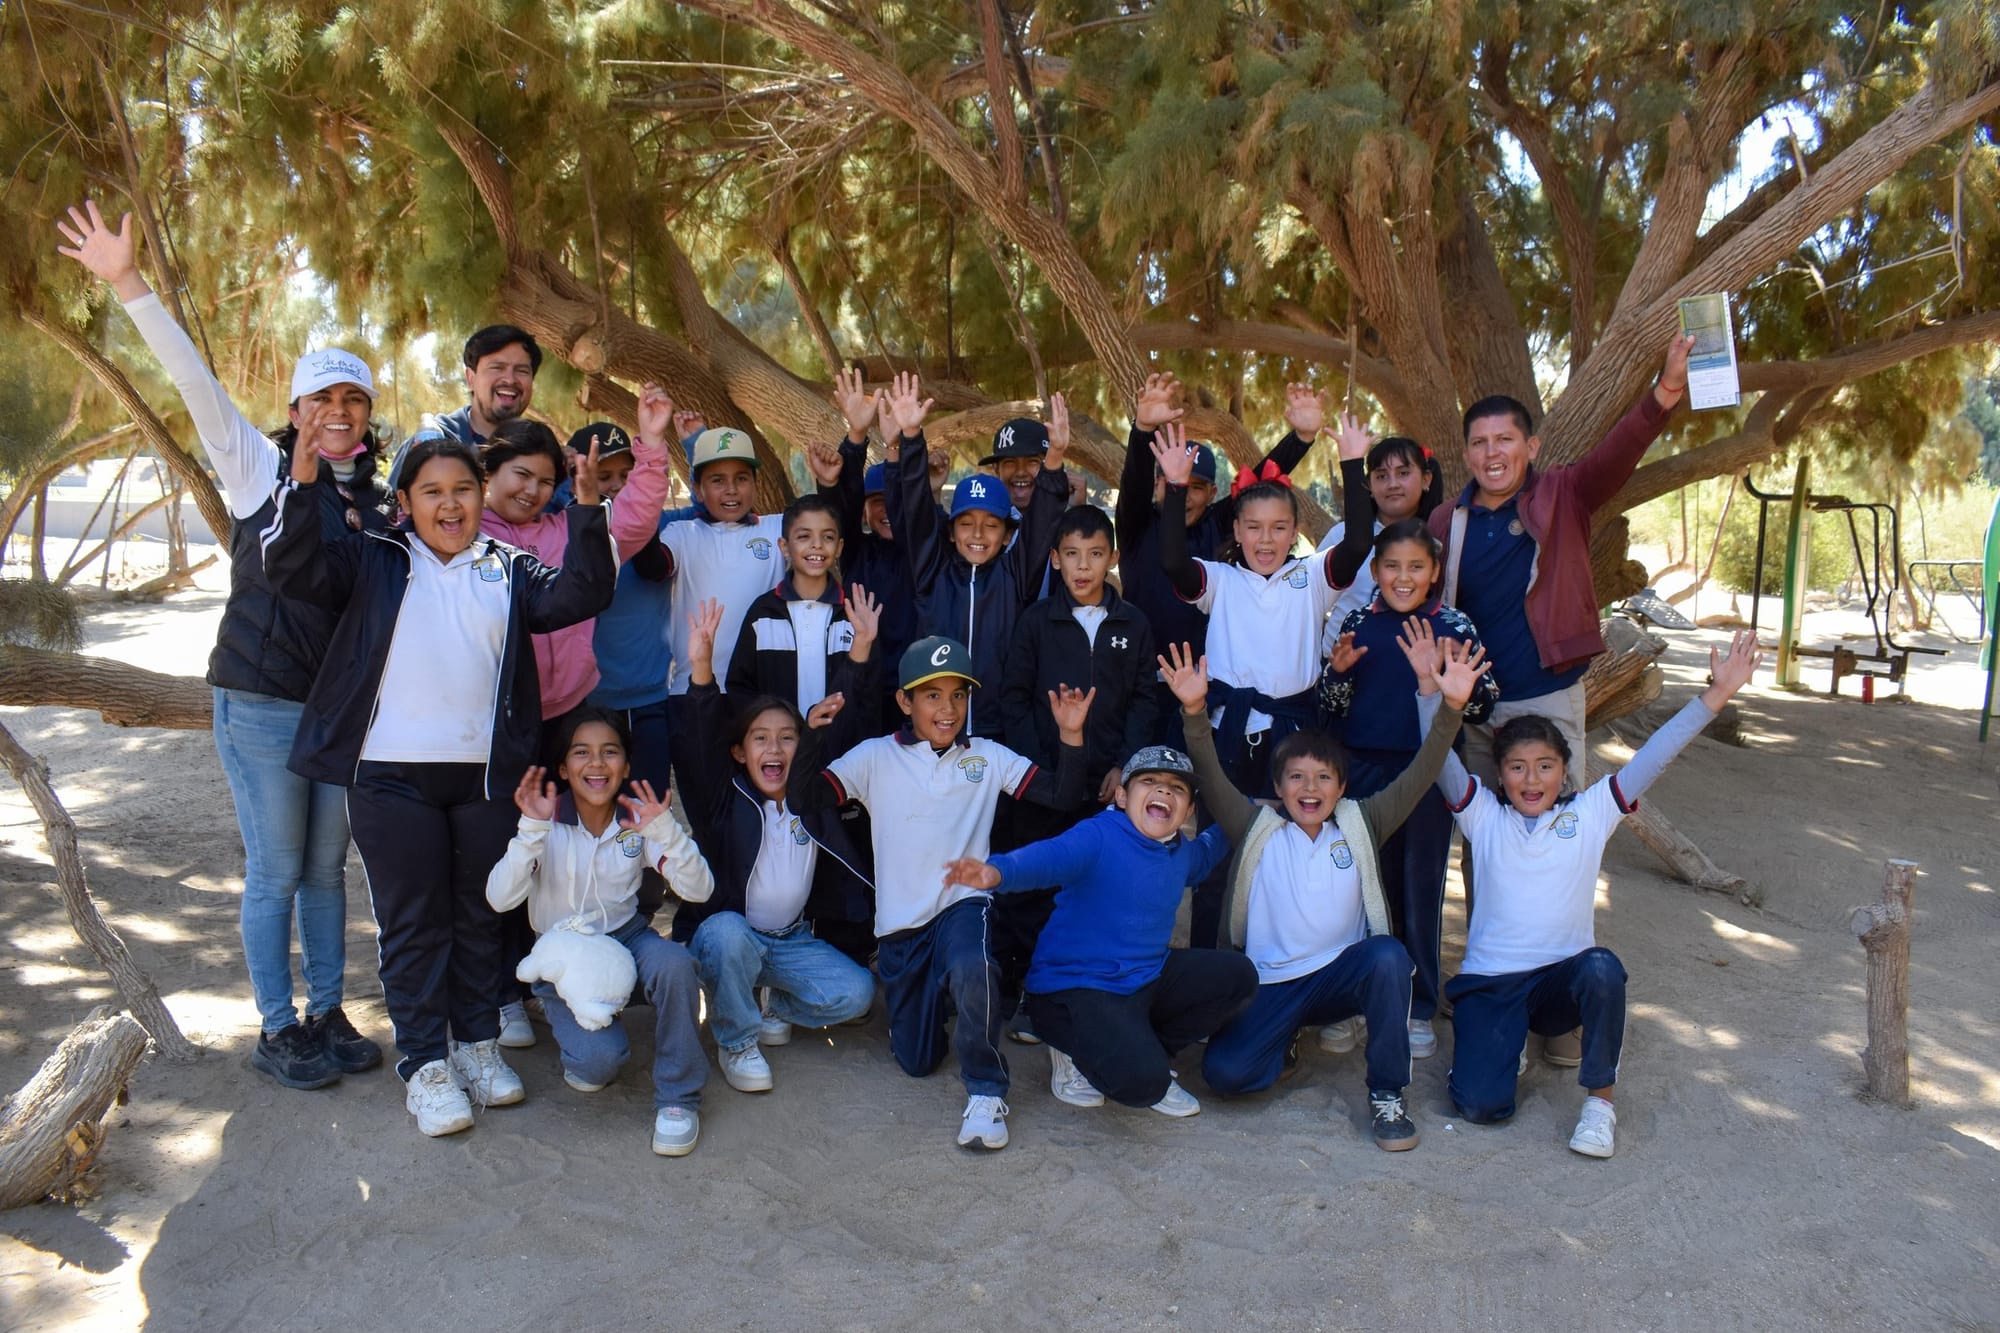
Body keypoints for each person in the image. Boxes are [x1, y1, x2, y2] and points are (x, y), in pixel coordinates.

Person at [54, 200, 390, 1091]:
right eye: (324, 397)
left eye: (355, 399)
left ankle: (326, 1011)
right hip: (262, 702)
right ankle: (277, 1027)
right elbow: (196, 383)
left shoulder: (379, 502)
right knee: (278, 867)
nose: (340, 411)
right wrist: (127, 283)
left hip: (335, 712)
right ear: (296, 408)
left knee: (327, 867)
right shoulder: (258, 468)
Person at [262, 427, 617, 1137]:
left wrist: (584, 505)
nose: (450, 504)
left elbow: (584, 591)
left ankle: (476, 1044)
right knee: (414, 920)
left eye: (462, 490)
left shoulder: (507, 566)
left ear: (481, 497)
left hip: (485, 778)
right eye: (432, 492)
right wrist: (302, 488)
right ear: (404, 502)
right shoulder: (373, 558)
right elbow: (291, 568)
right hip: (390, 778)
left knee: (479, 914)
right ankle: (424, 1064)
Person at [1426, 628, 1762, 1158]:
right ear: (1501, 774)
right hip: (1492, 984)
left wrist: (1714, 697)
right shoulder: (1483, 816)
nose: (1530, 779)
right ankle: (1504, 1043)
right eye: (1516, 767)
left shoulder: (1589, 813)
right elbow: (1440, 761)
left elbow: (1655, 756)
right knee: (1480, 1108)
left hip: (1561, 983)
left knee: (1602, 967)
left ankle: (1599, 1106)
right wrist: (1436, 696)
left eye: (1545, 767)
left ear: (1564, 774)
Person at [1161, 641, 1487, 1151]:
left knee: (1387, 956)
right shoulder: (1254, 827)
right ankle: (1284, 1038)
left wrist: (1450, 709)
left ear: (1340, 788)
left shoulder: (1363, 821)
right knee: (1227, 1076)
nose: (1309, 788)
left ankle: (1387, 1095)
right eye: (1296, 777)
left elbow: (1423, 771)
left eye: (1322, 778)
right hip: (1271, 983)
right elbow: (1208, 770)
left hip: (1339, 979)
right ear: (1278, 785)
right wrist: (1194, 711)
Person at [791, 636, 1094, 1150]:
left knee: (975, 965)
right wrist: (811, 738)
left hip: (963, 904)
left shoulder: (988, 756)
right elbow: (805, 799)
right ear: (905, 702)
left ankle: (985, 1090)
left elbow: (1063, 796)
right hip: (900, 928)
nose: (947, 708)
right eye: (931, 696)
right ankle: (941, 1007)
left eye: (958, 695)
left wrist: (1071, 734)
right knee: (917, 1062)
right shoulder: (873, 757)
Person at [1433, 336, 1694, 790]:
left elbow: (1617, 454)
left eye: (1504, 440)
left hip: (1547, 699)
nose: (1492, 453)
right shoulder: (1446, 520)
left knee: (1553, 836)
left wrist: (1666, 390)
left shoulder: (1563, 494)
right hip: (1474, 708)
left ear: (1531, 447)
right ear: (1466, 455)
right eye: (1480, 443)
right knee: (1487, 843)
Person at [942, 744, 1256, 1119]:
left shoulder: (1180, 850)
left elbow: (1206, 854)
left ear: (1188, 810)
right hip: (1073, 990)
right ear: (1123, 796)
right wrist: (997, 871)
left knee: (1239, 976)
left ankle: (1149, 1050)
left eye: (1177, 788)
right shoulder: (1099, 835)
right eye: (1150, 781)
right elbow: (1050, 858)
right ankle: (1071, 1052)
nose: (1164, 791)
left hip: (1143, 981)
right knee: (1145, 1086)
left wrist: (1246, 810)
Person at [484, 711, 715, 1156]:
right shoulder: (544, 820)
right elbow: (499, 899)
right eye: (581, 753)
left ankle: (678, 1099)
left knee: (675, 964)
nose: (597, 763)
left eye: (610, 752)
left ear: (626, 766)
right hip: (564, 952)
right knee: (598, 1064)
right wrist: (530, 831)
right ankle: (567, 1023)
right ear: (564, 767)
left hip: (626, 937)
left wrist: (665, 830)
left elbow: (700, 889)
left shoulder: (635, 819)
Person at [674, 601, 879, 1094]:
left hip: (788, 942)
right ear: (740, 753)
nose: (774, 749)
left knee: (857, 993)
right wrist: (701, 670)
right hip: (727, 938)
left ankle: (769, 1002)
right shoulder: (723, 799)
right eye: (760, 739)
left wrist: (861, 652)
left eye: (788, 738)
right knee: (725, 933)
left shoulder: (817, 801)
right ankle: (737, 1039)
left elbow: (839, 720)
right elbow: (702, 734)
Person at [1319, 520, 1501, 1057]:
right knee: (1360, 888)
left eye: (1416, 567)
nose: (1403, 577)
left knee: (1420, 887)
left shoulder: (1454, 624)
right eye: (1392, 567)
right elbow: (1331, 708)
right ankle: (1353, 1002)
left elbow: (1485, 704)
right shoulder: (1356, 620)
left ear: (1434, 572)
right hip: (1364, 773)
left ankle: (1418, 1005)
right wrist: (1338, 674)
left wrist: (1450, 679)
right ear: (1374, 571)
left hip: (1431, 773)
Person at [991, 504, 1160, 1034]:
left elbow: (1145, 701)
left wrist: (1123, 767)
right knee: (1033, 888)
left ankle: (1085, 992)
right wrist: (1045, 771)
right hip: (1044, 785)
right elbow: (1013, 699)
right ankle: (1020, 993)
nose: (1083, 566)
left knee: (1092, 889)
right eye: (1071, 555)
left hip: (1104, 787)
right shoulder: (1037, 621)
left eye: (1094, 555)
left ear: (1111, 558)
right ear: (1056, 560)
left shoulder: (1133, 623)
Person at [1156, 418, 1376, 796]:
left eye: (1278, 527)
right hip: (1226, 733)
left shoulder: (1312, 577)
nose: (1266, 539)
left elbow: (1357, 544)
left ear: (1294, 533)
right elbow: (1175, 561)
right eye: (1254, 527)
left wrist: (1353, 462)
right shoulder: (1221, 580)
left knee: (1286, 843)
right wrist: (1175, 487)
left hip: (1293, 735)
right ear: (1237, 531)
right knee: (1225, 842)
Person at [1116, 374, 1327, 745]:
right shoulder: (1137, 525)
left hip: (1208, 692)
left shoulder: (1218, 524)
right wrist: (1144, 428)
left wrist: (1302, 438)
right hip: (1144, 682)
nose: (1186, 493)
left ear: (1212, 492)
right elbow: (1132, 479)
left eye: (1196, 487)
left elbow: (1262, 478)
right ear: (1158, 485)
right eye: (1173, 481)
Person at [891, 373, 1070, 738]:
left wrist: (1054, 461)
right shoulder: (931, 571)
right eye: (966, 523)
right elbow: (916, 507)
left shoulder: (1015, 576)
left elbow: (1040, 526)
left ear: (1007, 535)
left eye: (990, 525)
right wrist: (911, 439)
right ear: (951, 530)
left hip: (999, 732)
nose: (976, 534)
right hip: (931, 732)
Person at [477, 397, 672, 722]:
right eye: (521, 474)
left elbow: (634, 516)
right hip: (495, 711)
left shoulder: (573, 531)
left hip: (571, 708)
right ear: (490, 473)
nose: (531, 490)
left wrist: (651, 444)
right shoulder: (467, 534)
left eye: (545, 482)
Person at [577, 414, 704, 797]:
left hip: (651, 699)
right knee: (594, 806)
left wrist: (694, 444)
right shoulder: (570, 532)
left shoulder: (664, 526)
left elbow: (705, 508)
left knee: (648, 805)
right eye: (605, 476)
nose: (617, 486)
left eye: (626, 474)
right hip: (589, 701)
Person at [659, 423, 788, 774]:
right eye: (717, 480)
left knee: (763, 802)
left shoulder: (777, 529)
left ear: (755, 484)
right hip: (692, 692)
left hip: (762, 694)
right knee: (705, 803)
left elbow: (829, 526)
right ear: (698, 489)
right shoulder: (681, 533)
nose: (731, 490)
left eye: (742, 478)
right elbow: (652, 564)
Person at [726, 484, 884, 723]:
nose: (817, 545)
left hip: (844, 756)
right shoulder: (763, 613)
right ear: (784, 546)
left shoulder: (854, 614)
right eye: (804, 536)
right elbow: (740, 689)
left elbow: (871, 696)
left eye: (828, 537)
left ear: (839, 547)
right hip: (781, 754)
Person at [823, 369, 917, 717]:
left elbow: (922, 515)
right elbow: (842, 502)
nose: (887, 509)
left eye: (894, 499)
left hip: (912, 689)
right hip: (862, 683)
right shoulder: (857, 551)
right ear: (864, 511)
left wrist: (930, 486)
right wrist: (856, 436)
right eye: (877, 501)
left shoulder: (921, 553)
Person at [1316, 435, 1445, 652]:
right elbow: (1311, 604)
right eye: (1382, 476)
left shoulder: (1442, 535)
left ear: (1426, 479)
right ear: (1369, 485)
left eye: (1403, 473)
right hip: (1340, 671)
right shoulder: (1341, 537)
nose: (1392, 484)